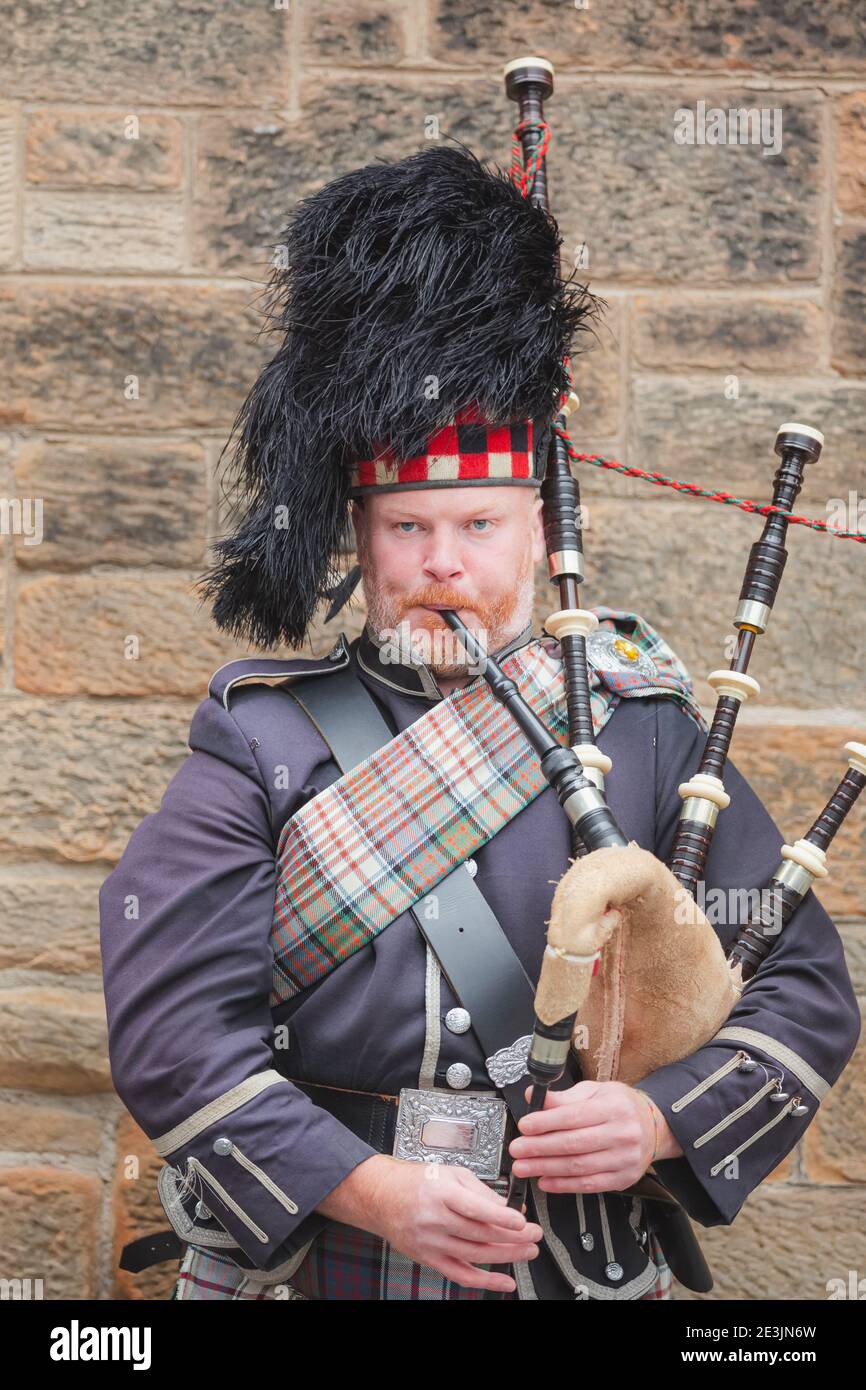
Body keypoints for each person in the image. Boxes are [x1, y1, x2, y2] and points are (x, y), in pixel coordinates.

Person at [99, 145, 861, 1301]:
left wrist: (655, 1119)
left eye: (478, 524)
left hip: (573, 1261)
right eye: (406, 527)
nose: (442, 564)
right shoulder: (259, 743)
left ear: (539, 537)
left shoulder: (644, 733)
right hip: (334, 1253)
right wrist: (363, 1186)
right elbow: (168, 1028)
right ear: (358, 540)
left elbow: (797, 986)